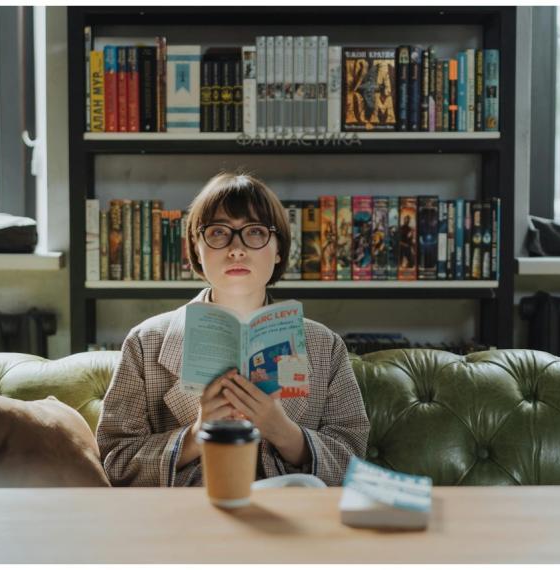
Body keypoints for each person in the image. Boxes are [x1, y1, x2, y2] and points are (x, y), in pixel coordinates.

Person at [96, 172, 370, 487]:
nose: (236, 249)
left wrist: (284, 432)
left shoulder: (324, 345)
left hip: (291, 517)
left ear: (279, 249)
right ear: (196, 249)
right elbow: (115, 461)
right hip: (190, 518)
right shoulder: (146, 342)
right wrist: (197, 435)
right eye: (218, 232)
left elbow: (354, 459)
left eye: (254, 232)